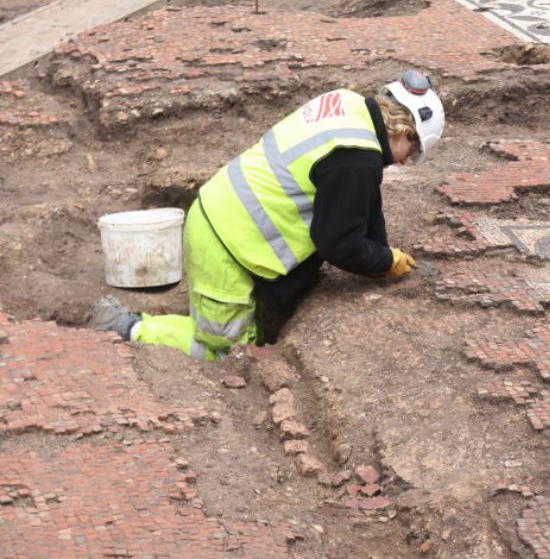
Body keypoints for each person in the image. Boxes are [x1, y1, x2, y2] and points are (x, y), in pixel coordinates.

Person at [86, 70, 445, 360]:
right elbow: (337, 242)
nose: (405, 162)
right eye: (412, 153)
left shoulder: (348, 106)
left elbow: (364, 198)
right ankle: (127, 327)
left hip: (219, 215)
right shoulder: (357, 159)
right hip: (226, 247)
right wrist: (383, 260)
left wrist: (382, 251)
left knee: (234, 330)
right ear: (406, 132)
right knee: (228, 350)